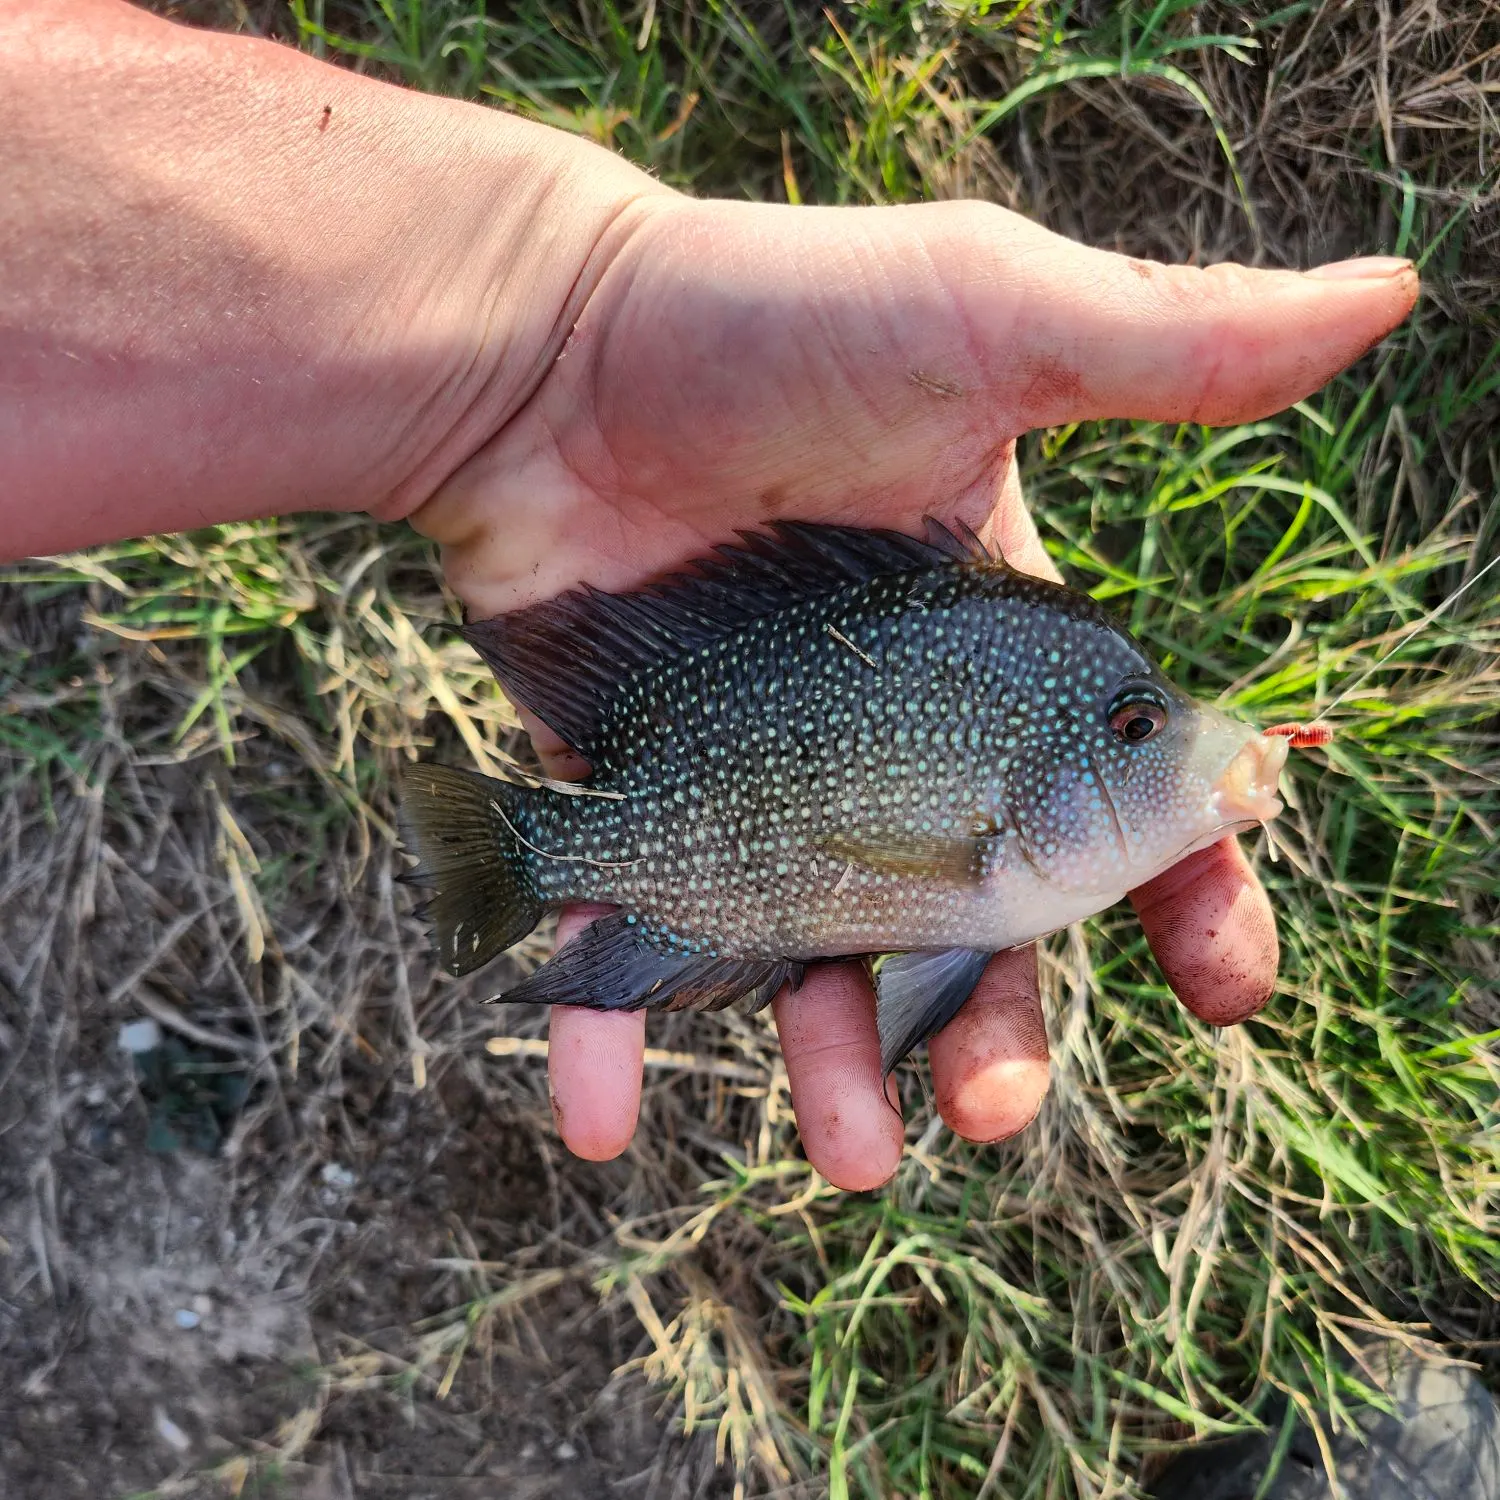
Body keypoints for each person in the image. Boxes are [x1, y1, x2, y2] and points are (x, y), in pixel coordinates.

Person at [1, 0, 1419, 1191]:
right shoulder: (1013, 815)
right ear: (1054, 765)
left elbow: (945, 922)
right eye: (1130, 725)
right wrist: (548, 327)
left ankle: (535, 856)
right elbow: (944, 910)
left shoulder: (1022, 816)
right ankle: (526, 855)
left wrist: (550, 315)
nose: (1184, 738)